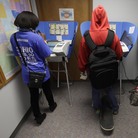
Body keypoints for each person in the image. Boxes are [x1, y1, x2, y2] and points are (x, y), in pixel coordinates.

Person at [78, 5, 123, 131]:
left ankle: (97, 108)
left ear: (92, 18)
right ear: (105, 18)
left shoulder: (86, 37)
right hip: (110, 70)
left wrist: (82, 69)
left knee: (95, 89)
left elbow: (82, 56)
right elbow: (119, 54)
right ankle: (114, 108)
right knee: (109, 89)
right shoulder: (112, 35)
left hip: (94, 71)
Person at [10, 11, 57, 125]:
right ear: (32, 24)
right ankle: (51, 105)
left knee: (34, 94)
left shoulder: (14, 37)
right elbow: (47, 54)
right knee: (47, 89)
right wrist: (44, 42)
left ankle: (38, 116)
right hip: (41, 71)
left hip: (27, 72)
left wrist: (26, 67)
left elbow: (17, 55)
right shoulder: (36, 37)